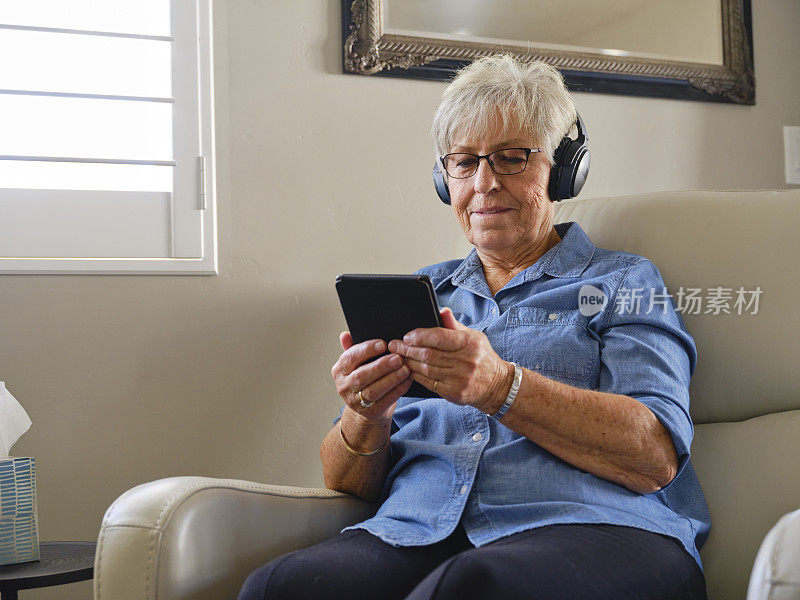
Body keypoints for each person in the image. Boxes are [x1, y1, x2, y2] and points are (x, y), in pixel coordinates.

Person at [238, 54, 710, 600]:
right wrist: (365, 411)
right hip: (419, 531)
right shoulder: (424, 294)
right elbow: (347, 482)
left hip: (597, 527)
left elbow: (654, 455)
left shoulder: (624, 280)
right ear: (445, 179)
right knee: (281, 587)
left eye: (512, 159)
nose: (485, 183)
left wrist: (501, 387)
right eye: (464, 162)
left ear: (562, 170)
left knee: (470, 587)